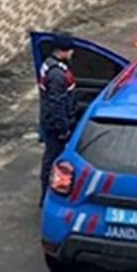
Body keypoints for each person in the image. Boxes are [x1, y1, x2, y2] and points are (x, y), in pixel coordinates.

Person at [38, 34, 76, 204]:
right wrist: (64, 128)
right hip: (54, 124)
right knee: (53, 159)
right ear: (64, 51)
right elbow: (57, 104)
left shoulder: (48, 65)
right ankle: (47, 196)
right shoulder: (57, 74)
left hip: (49, 120)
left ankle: (46, 193)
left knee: (50, 158)